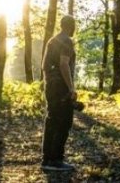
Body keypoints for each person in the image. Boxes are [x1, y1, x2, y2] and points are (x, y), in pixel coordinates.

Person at [41, 15, 78, 172]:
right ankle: (56, 160)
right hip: (61, 88)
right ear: (71, 26)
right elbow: (64, 64)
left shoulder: (52, 40)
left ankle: (47, 159)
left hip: (50, 86)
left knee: (51, 121)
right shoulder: (67, 41)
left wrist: (49, 83)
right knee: (63, 122)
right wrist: (71, 88)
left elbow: (44, 66)